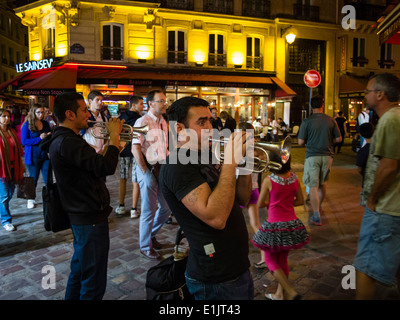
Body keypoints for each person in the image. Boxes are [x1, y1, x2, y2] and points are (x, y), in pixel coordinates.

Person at [159, 96, 254, 300]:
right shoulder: (177, 166)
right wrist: (229, 163)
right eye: (201, 122)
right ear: (178, 129)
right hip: (215, 278)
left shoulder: (206, 154)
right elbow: (216, 218)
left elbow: (242, 199)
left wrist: (245, 165)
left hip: (237, 266)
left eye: (210, 120)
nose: (210, 128)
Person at [40, 92, 123, 300]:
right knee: (93, 282)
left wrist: (111, 148)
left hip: (82, 216)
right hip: (88, 217)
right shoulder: (68, 142)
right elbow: (105, 168)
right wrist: (114, 138)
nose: (88, 114)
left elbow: (91, 167)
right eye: (84, 110)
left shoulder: (66, 139)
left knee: (80, 272)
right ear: (69, 114)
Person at [353, 73, 400, 300]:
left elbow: (388, 166)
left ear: (380, 94)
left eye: (368, 91)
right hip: (394, 208)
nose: (365, 95)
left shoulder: (390, 119)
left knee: (365, 267)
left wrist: (372, 200)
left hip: (386, 208)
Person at [253, 152, 309, 300]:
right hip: (292, 225)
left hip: (274, 226)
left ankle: (290, 292)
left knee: (270, 261)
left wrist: (271, 204)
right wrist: (286, 203)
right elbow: (300, 201)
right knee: (282, 260)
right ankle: (279, 294)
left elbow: (260, 204)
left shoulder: (269, 180)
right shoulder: (294, 178)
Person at [131, 89, 172, 260]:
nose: (165, 104)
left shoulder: (164, 121)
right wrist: (145, 173)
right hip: (147, 169)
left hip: (161, 169)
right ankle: (145, 246)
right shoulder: (142, 121)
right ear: (150, 104)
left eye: (165, 100)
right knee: (149, 209)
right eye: (161, 101)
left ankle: (150, 235)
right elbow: (135, 148)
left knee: (166, 207)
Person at [297, 96, 341, 226]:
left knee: (313, 186)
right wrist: (328, 142)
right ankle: (319, 207)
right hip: (328, 156)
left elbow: (300, 142)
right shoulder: (330, 120)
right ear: (322, 105)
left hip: (312, 156)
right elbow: (338, 139)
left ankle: (316, 215)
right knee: (322, 183)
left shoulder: (307, 121)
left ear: (311, 106)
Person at [238, 122, 264, 268]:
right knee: (255, 224)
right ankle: (264, 256)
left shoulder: (240, 148)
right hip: (254, 188)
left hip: (241, 190)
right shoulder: (258, 149)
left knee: (236, 223)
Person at [116, 95, 144, 219]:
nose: (143, 107)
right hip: (135, 152)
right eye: (141, 104)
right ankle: (133, 209)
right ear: (133, 105)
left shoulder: (121, 117)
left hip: (124, 152)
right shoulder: (140, 119)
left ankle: (121, 206)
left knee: (123, 179)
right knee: (135, 181)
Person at [21, 103, 51, 209]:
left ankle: (50, 197)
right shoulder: (27, 125)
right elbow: (24, 141)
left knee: (48, 177)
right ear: (33, 112)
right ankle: (30, 199)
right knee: (32, 178)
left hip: (45, 155)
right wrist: (39, 138)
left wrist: (48, 137)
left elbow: (49, 136)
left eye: (42, 112)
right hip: (33, 155)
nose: (41, 114)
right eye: (38, 112)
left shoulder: (46, 123)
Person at [0, 109, 24, 231]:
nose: (7, 118)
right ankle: (6, 220)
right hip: (1, 169)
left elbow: (18, 149)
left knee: (10, 193)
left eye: (8, 116)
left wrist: (22, 165)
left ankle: (2, 208)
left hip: (14, 167)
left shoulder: (12, 132)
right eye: (3, 116)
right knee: (4, 196)